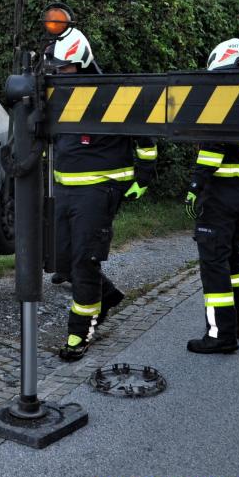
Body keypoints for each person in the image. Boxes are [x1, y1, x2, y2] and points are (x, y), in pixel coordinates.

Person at [48, 29, 158, 361]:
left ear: (82, 63)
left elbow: (146, 138)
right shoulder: (58, 93)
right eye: (56, 67)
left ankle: (80, 334)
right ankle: (106, 296)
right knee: (61, 261)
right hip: (65, 190)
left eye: (64, 67)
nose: (59, 73)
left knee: (85, 261)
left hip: (100, 190)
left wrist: (143, 177)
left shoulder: (114, 94)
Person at [185, 38, 239, 353]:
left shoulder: (221, 103)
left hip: (220, 196)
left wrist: (195, 186)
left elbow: (211, 151)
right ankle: (235, 323)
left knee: (214, 264)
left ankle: (220, 335)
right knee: (233, 258)